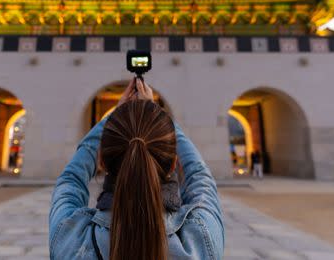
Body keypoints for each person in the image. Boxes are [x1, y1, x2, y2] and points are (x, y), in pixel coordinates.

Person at [49, 78, 224, 259]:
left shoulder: (72, 239)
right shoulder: (201, 239)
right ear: (174, 163)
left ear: (102, 162)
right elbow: (199, 175)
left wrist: (115, 116)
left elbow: (70, 180)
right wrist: (155, 114)